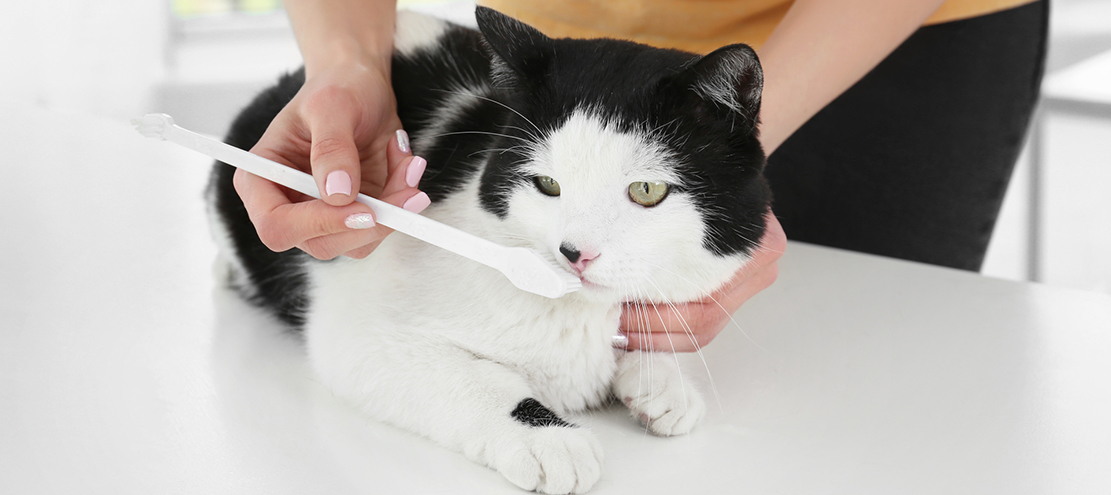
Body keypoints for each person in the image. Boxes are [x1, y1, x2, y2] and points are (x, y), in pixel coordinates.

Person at [234, 0, 1046, 351]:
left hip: (884, 46)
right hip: (565, 44)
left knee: (864, 405)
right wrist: (345, 62)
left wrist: (724, 154)